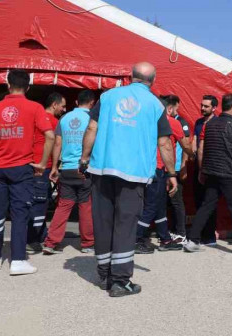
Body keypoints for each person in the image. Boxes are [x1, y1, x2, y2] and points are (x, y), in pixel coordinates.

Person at [80, 62, 178, 297]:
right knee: (125, 225)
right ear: (152, 81)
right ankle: (120, 281)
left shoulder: (108, 96)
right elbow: (164, 143)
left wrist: (84, 158)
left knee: (103, 222)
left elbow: (92, 128)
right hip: (133, 174)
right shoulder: (155, 104)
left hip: (101, 169)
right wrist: (172, 173)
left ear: (131, 77)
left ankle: (104, 273)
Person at [0, 70, 54, 275]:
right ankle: (18, 260)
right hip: (22, 168)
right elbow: (50, 136)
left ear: (7, 85)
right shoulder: (35, 108)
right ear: (28, 87)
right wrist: (41, 163)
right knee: (20, 214)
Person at [183, 94, 232, 255]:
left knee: (206, 206)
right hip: (231, 173)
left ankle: (192, 240)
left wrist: (202, 170)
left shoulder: (208, 125)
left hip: (211, 172)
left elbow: (201, 150)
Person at [43, 90, 97, 254]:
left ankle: (51, 242)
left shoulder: (64, 119)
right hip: (84, 169)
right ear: (92, 103)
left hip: (66, 168)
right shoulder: (93, 120)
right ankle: (87, 244)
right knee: (85, 206)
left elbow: (57, 142)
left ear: (76, 102)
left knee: (63, 206)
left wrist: (54, 167)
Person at [134, 95, 187, 254]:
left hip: (146, 168)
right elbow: (184, 144)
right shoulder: (172, 122)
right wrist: (191, 153)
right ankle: (136, 239)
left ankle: (165, 239)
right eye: (175, 109)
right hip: (159, 169)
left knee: (159, 206)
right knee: (151, 206)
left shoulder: (146, 122)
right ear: (169, 109)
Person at [27, 92, 66, 253]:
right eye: (62, 106)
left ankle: (40, 234)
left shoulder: (34, 117)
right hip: (43, 166)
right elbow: (57, 145)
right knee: (40, 203)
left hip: (32, 164)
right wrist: (55, 166)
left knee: (37, 200)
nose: (64, 109)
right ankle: (31, 239)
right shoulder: (54, 122)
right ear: (54, 104)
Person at [164, 95, 192, 240]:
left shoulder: (181, 122)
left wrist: (183, 166)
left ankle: (181, 232)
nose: (178, 110)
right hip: (163, 167)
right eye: (177, 107)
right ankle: (170, 229)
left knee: (176, 200)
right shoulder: (162, 120)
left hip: (175, 168)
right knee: (165, 201)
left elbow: (186, 144)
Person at [192, 95, 219, 246]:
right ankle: (199, 234)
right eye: (202, 105)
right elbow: (195, 141)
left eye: (206, 106)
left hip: (212, 168)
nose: (202, 108)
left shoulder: (217, 123)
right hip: (198, 166)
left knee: (210, 202)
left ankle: (209, 236)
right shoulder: (198, 122)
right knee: (199, 200)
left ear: (214, 108)